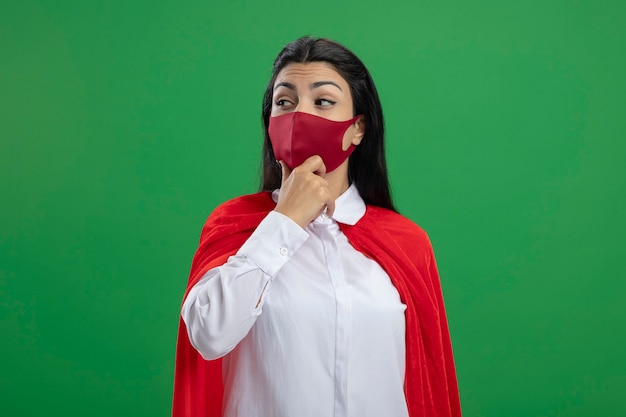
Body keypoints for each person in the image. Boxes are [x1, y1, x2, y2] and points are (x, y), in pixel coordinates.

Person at [172, 36, 462, 417]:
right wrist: (285, 221)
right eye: (284, 102)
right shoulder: (236, 226)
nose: (299, 115)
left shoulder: (406, 243)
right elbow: (209, 334)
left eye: (323, 101)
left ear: (357, 128)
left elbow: (426, 385)